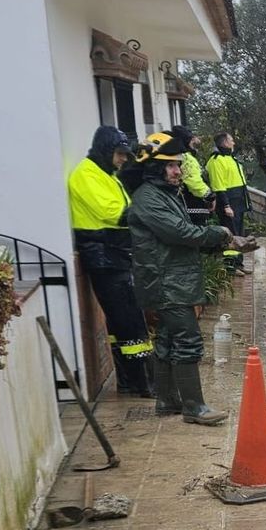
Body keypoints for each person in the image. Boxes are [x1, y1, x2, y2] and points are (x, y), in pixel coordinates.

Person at [124, 132, 256, 426]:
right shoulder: (148, 199)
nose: (178, 170)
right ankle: (194, 408)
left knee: (170, 338)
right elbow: (181, 234)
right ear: (154, 168)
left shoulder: (163, 194)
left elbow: (183, 233)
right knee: (188, 340)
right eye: (171, 165)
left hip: (171, 278)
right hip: (166, 282)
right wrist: (224, 235)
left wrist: (225, 239)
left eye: (178, 164)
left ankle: (167, 401)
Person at [67, 126, 153, 397]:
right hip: (104, 256)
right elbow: (113, 213)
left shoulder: (105, 174)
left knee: (120, 323)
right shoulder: (86, 174)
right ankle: (146, 383)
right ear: (105, 150)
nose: (123, 159)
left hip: (113, 256)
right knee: (131, 322)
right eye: (119, 154)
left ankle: (128, 381)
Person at [206, 132, 249, 275]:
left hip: (239, 201)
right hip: (228, 202)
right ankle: (230, 266)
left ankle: (239, 263)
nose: (234, 143)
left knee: (239, 234)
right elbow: (218, 186)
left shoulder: (231, 158)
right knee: (230, 236)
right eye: (231, 140)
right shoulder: (216, 160)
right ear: (224, 143)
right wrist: (226, 205)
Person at [169, 125, 215, 227]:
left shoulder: (176, 156)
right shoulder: (187, 158)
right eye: (191, 139)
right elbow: (193, 181)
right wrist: (210, 196)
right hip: (193, 205)